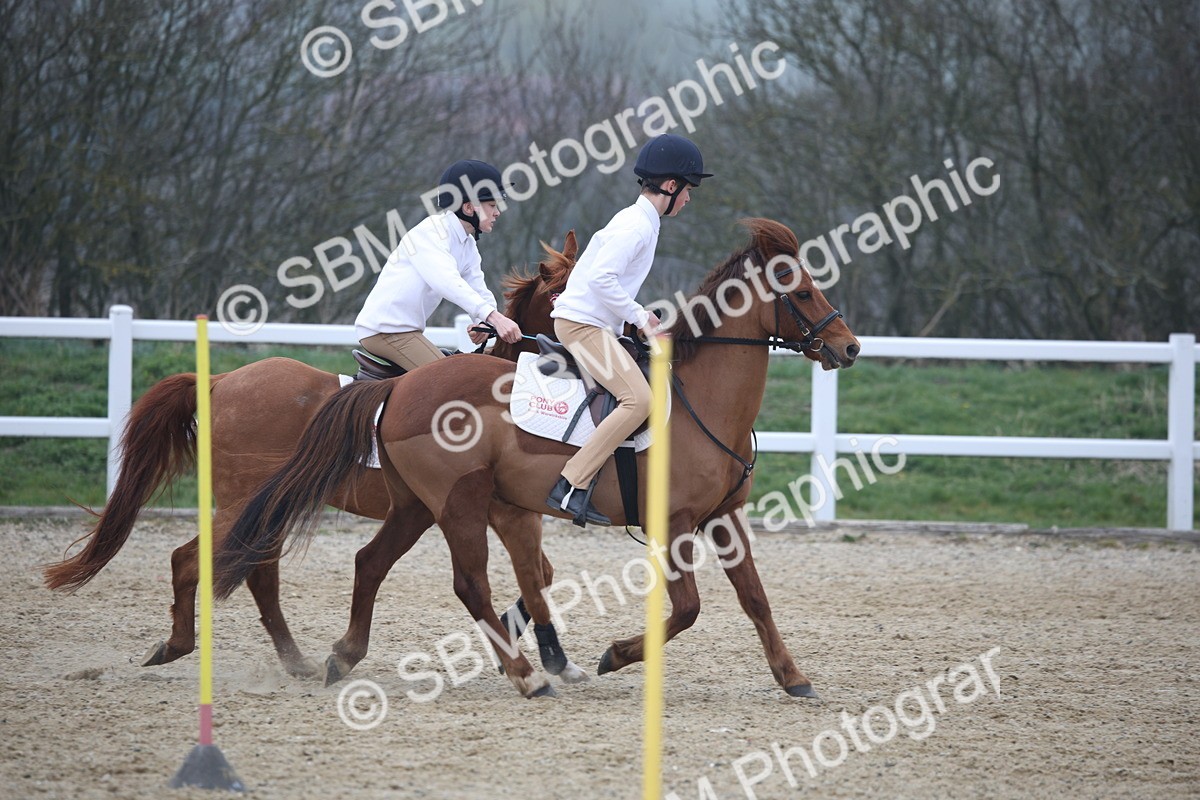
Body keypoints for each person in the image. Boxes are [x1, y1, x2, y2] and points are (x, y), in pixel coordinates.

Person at [546, 133, 712, 526]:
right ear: (670, 187)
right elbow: (603, 278)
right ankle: (570, 484)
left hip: (592, 322)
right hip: (583, 327)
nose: (689, 198)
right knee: (639, 400)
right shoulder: (637, 226)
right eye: (688, 190)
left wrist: (632, 323)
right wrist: (641, 319)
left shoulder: (640, 221)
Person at [355, 159, 523, 371]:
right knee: (452, 379)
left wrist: (485, 323)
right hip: (385, 332)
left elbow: (477, 288)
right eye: (492, 205)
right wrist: (494, 317)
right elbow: (447, 282)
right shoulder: (431, 232)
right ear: (469, 207)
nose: (497, 212)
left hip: (406, 332)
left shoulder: (467, 243)